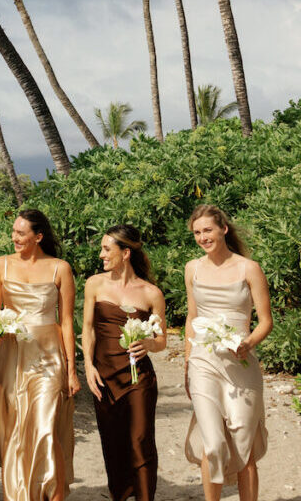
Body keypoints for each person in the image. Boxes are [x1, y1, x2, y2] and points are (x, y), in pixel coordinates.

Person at [0, 209, 78, 501]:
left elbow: (66, 322)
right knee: (14, 430)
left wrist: (72, 370)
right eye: (13, 231)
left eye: (21, 233)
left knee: (46, 426)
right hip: (12, 355)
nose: (15, 237)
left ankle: (52, 494)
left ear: (38, 236)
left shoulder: (60, 268)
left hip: (49, 355)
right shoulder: (1, 265)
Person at [184, 205, 271, 501]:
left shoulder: (249, 268)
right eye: (197, 232)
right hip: (203, 363)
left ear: (223, 229)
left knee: (244, 447)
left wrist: (248, 343)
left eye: (207, 230)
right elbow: (192, 317)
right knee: (212, 443)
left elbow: (266, 322)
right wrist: (187, 363)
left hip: (240, 361)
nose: (202, 237)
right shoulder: (192, 268)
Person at [82, 224, 166, 500]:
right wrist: (89, 366)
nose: (101, 255)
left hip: (138, 377)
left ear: (126, 252)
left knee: (141, 441)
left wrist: (148, 344)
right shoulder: (94, 284)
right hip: (104, 376)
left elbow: (161, 340)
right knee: (113, 443)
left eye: (107, 249)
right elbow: (89, 329)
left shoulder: (151, 292)